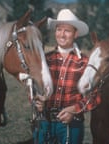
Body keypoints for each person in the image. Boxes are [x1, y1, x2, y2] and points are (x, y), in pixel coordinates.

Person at [33, 9, 101, 144]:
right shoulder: (44, 60)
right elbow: (33, 86)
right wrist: (36, 101)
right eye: (59, 29)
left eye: (67, 31)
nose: (62, 35)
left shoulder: (85, 62)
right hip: (44, 122)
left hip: (72, 125)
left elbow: (96, 95)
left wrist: (75, 109)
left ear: (75, 34)